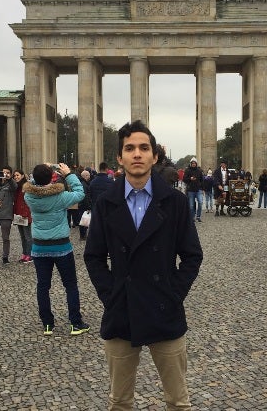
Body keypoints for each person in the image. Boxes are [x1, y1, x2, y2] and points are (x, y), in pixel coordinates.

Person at [84, 120, 203, 410]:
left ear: (155, 156)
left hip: (164, 308)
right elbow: (93, 256)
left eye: (143, 148)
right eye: (130, 148)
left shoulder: (174, 202)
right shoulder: (105, 204)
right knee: (120, 401)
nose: (137, 154)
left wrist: (173, 293)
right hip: (121, 310)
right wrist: (111, 295)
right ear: (120, 158)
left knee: (178, 401)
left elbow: (192, 255)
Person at [24, 162, 89, 336]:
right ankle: (75, 323)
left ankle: (47, 324)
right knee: (70, 286)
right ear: (51, 177)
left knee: (43, 286)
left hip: (39, 247)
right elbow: (80, 193)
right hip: (61, 246)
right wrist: (68, 174)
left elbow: (31, 183)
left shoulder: (29, 197)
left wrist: (38, 170)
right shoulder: (61, 197)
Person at [13, 169, 33, 263]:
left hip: (25, 214)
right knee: (22, 236)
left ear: (22, 175)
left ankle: (30, 254)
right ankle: (24, 253)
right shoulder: (17, 186)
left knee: (28, 236)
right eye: (15, 176)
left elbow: (29, 201)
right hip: (18, 214)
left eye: (17, 175)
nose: (16, 177)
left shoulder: (26, 185)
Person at [183, 157, 204, 222]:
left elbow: (202, 180)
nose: (194, 164)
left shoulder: (199, 170)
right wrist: (190, 179)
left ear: (196, 164)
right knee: (191, 205)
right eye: (192, 163)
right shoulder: (187, 170)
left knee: (200, 203)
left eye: (195, 163)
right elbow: (184, 179)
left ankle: (198, 216)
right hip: (190, 190)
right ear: (191, 163)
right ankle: (192, 217)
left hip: (198, 189)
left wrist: (202, 188)